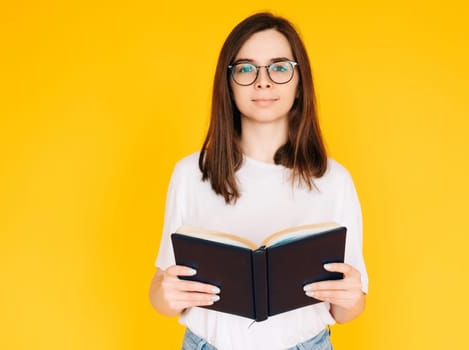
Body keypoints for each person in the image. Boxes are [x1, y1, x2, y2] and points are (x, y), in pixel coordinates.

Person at [149, 12, 368, 350]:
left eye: (279, 67)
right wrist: (167, 294)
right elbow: (162, 291)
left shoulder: (333, 180)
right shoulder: (191, 174)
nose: (262, 82)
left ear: (300, 83)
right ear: (229, 82)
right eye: (246, 68)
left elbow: (346, 310)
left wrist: (351, 297)